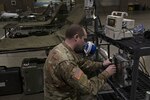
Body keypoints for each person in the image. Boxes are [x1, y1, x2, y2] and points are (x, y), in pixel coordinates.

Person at [44, 24, 116, 100]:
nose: (85, 43)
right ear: (76, 37)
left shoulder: (62, 48)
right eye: (84, 39)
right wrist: (106, 74)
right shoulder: (67, 62)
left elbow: (82, 63)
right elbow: (88, 88)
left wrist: (102, 64)